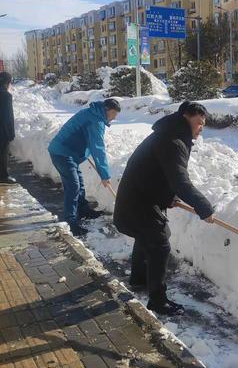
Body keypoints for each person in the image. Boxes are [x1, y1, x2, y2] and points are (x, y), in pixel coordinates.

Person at [114, 101, 214, 316]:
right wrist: (203, 206)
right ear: (186, 117)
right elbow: (180, 180)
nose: (201, 127)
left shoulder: (170, 135)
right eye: (198, 122)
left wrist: (168, 197)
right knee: (159, 245)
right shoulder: (172, 140)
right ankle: (158, 301)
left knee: (150, 236)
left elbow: (159, 173)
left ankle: (139, 279)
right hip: (138, 203)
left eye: (203, 124)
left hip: (139, 199)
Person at [48, 99, 121, 236]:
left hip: (67, 152)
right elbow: (98, 148)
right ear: (106, 110)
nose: (115, 117)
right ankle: (70, 222)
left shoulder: (91, 113)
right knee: (73, 186)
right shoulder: (96, 121)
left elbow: (82, 134)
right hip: (63, 153)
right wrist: (104, 175)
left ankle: (83, 209)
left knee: (79, 182)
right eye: (114, 113)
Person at [0, 71, 16, 184]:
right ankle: (3, 176)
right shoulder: (6, 96)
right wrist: (11, 134)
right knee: (3, 154)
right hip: (2, 131)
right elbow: (8, 116)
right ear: (7, 82)